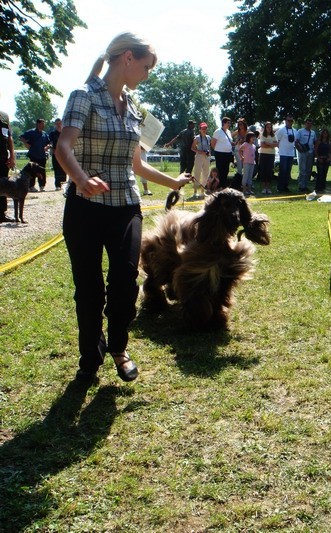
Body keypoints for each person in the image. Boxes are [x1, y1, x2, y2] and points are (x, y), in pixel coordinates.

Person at [56, 32, 192, 383]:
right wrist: (82, 179)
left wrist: (173, 182)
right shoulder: (83, 96)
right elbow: (63, 148)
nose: (147, 74)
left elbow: (137, 164)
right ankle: (90, 358)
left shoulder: (134, 108)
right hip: (85, 207)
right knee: (88, 288)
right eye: (146, 67)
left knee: (125, 281)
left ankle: (118, 347)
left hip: (125, 207)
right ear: (127, 58)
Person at [20, 118, 51, 192]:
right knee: (32, 171)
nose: (42, 126)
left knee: (42, 170)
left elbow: (49, 142)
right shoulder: (31, 132)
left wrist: (48, 146)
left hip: (42, 155)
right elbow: (21, 137)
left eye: (43, 124)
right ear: (37, 124)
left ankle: (42, 186)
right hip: (33, 154)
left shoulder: (44, 134)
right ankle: (31, 186)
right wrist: (26, 144)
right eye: (41, 124)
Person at [0, 109, 16, 223]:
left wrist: (12, 157)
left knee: (3, 187)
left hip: (2, 160)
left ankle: (1, 214)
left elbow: (9, 138)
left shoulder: (4, 120)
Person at [275, 115, 297, 193]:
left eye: (291, 121)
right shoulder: (281, 130)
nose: (290, 122)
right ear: (285, 121)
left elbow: (296, 141)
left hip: (291, 154)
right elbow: (276, 141)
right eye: (288, 120)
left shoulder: (295, 131)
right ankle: (280, 187)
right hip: (283, 153)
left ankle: (285, 187)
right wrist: (280, 149)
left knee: (288, 171)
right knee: (282, 171)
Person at [295, 118, 317, 192]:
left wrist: (315, 151)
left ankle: (305, 185)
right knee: (302, 169)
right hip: (302, 152)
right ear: (305, 123)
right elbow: (296, 142)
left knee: (308, 170)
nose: (309, 125)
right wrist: (300, 150)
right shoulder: (300, 131)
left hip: (310, 152)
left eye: (310, 123)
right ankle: (301, 186)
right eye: (308, 123)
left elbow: (315, 142)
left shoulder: (313, 132)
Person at [211, 117, 233, 189]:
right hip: (220, 154)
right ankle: (218, 185)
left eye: (229, 123)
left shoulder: (228, 132)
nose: (229, 124)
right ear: (223, 123)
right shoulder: (218, 131)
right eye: (228, 123)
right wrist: (217, 150)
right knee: (220, 170)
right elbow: (212, 143)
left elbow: (230, 142)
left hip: (228, 154)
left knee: (226, 170)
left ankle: (223, 185)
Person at [191, 121, 211, 198]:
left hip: (207, 157)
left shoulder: (208, 137)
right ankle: (195, 192)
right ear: (200, 129)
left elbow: (209, 147)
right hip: (199, 156)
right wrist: (201, 152)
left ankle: (202, 191)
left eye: (205, 128)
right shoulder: (197, 138)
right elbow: (192, 148)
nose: (204, 130)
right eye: (203, 128)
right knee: (197, 173)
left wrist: (208, 153)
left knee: (206, 173)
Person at [258, 121, 277, 195]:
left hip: (271, 155)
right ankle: (263, 188)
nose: (269, 128)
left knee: (269, 171)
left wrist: (267, 143)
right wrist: (271, 145)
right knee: (263, 170)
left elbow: (276, 144)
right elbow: (262, 145)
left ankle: (268, 188)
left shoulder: (274, 135)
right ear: (265, 128)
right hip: (263, 154)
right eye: (268, 127)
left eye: (270, 127)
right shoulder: (262, 135)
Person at [49, 118, 67, 190]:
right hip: (56, 153)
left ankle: (63, 183)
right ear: (55, 125)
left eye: (59, 123)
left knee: (64, 168)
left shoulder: (65, 133)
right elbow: (50, 143)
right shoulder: (52, 134)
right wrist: (52, 149)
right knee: (57, 169)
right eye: (57, 124)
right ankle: (57, 185)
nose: (58, 125)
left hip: (64, 153)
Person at [314, 128, 331, 192]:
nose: (325, 134)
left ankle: (323, 187)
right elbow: (315, 150)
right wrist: (318, 158)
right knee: (320, 173)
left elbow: (330, 151)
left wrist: (329, 158)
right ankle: (318, 187)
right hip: (320, 159)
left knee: (325, 173)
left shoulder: (328, 142)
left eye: (326, 133)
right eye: (324, 133)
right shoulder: (319, 141)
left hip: (326, 159)